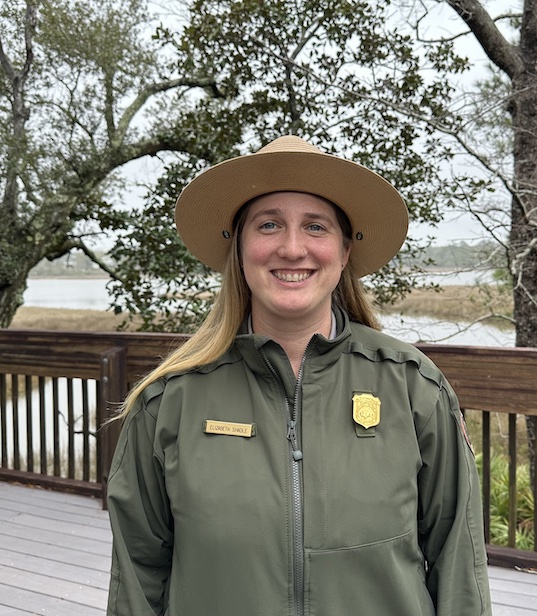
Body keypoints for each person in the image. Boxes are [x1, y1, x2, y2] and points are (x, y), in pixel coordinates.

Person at [106, 135, 492, 616]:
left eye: (316, 226)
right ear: (240, 248)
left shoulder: (414, 387)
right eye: (269, 225)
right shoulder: (168, 402)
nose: (292, 248)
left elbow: (459, 563)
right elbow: (137, 579)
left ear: (344, 251)